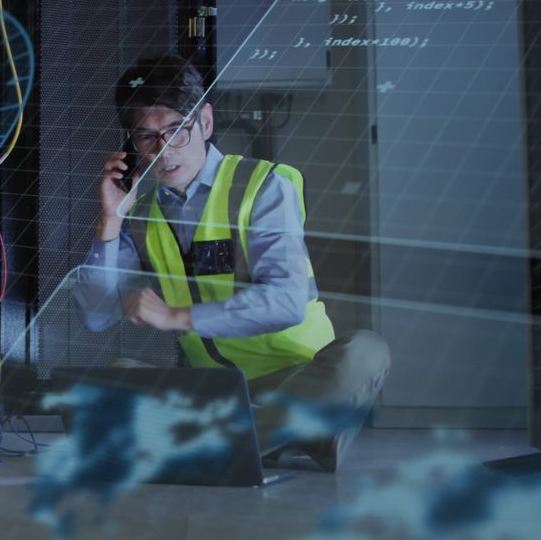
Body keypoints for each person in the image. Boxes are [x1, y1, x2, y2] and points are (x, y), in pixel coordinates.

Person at [72, 54, 390, 471]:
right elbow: (95, 317)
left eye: (176, 131)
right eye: (147, 137)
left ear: (205, 122)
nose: (164, 151)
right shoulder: (141, 215)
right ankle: (285, 435)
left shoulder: (265, 185)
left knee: (366, 351)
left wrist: (176, 316)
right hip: (216, 392)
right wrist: (110, 220)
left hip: (298, 377)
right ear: (131, 144)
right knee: (112, 377)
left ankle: (215, 445)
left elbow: (287, 302)